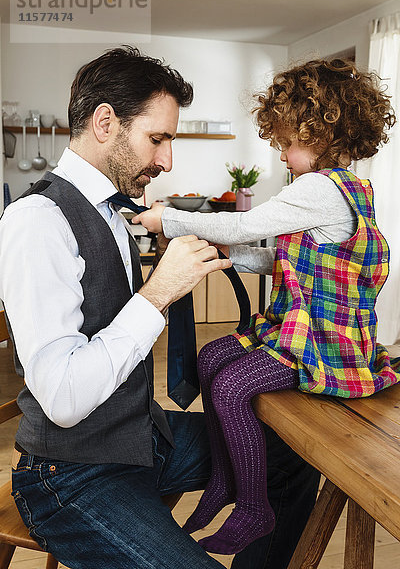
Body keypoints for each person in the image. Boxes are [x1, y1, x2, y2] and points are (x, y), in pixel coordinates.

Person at [0, 46, 320, 569]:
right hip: (73, 474)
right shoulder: (36, 221)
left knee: (291, 453)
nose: (167, 160)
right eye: (158, 138)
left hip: (143, 438)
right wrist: (156, 295)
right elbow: (60, 398)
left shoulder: (110, 212)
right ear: (105, 123)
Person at [134, 58, 400, 556]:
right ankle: (227, 483)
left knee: (232, 385)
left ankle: (254, 506)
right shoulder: (345, 190)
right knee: (212, 359)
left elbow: (242, 224)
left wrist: (166, 219)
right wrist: (234, 258)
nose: (280, 151)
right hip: (302, 324)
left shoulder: (320, 189)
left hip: (321, 339)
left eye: (287, 141)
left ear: (322, 133)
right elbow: (289, 259)